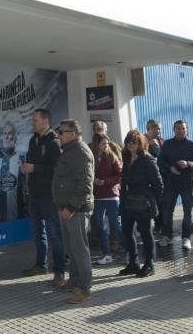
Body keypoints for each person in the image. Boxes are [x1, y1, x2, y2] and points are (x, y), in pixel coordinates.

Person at [51, 119, 95, 304]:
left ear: (72, 134)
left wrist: (70, 208)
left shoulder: (80, 152)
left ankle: (84, 289)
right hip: (67, 209)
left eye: (61, 132)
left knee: (79, 250)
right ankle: (74, 281)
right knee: (72, 249)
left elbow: (85, 185)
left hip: (76, 210)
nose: (58, 135)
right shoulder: (69, 151)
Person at [20, 109, 66, 284]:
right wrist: (27, 168)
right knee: (37, 232)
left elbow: (58, 169)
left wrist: (35, 168)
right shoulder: (34, 140)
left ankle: (60, 271)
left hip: (49, 195)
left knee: (54, 233)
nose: (33, 123)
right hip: (34, 194)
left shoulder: (54, 142)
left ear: (46, 121)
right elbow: (33, 163)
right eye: (32, 120)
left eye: (35, 120)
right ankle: (41, 265)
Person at [118, 130, 165, 278]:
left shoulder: (147, 160)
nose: (131, 144)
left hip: (143, 201)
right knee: (127, 233)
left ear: (141, 143)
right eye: (128, 141)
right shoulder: (125, 157)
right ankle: (133, 262)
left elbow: (158, 184)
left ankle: (149, 264)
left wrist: (153, 202)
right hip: (127, 201)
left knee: (145, 233)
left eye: (134, 141)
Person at [159, 120, 193, 250]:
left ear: (187, 130)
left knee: (187, 211)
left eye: (183, 128)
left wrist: (188, 163)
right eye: (178, 128)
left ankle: (186, 237)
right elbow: (161, 161)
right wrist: (170, 168)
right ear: (174, 130)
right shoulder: (168, 144)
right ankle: (167, 235)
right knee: (167, 210)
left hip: (188, 182)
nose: (180, 131)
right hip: (171, 182)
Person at [91, 132, 123, 265]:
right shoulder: (91, 157)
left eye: (106, 143)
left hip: (111, 195)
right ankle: (107, 254)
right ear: (96, 144)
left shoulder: (112, 156)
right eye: (103, 143)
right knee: (100, 226)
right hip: (98, 197)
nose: (106, 145)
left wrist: (104, 182)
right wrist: (94, 181)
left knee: (116, 224)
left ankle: (128, 251)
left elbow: (119, 175)